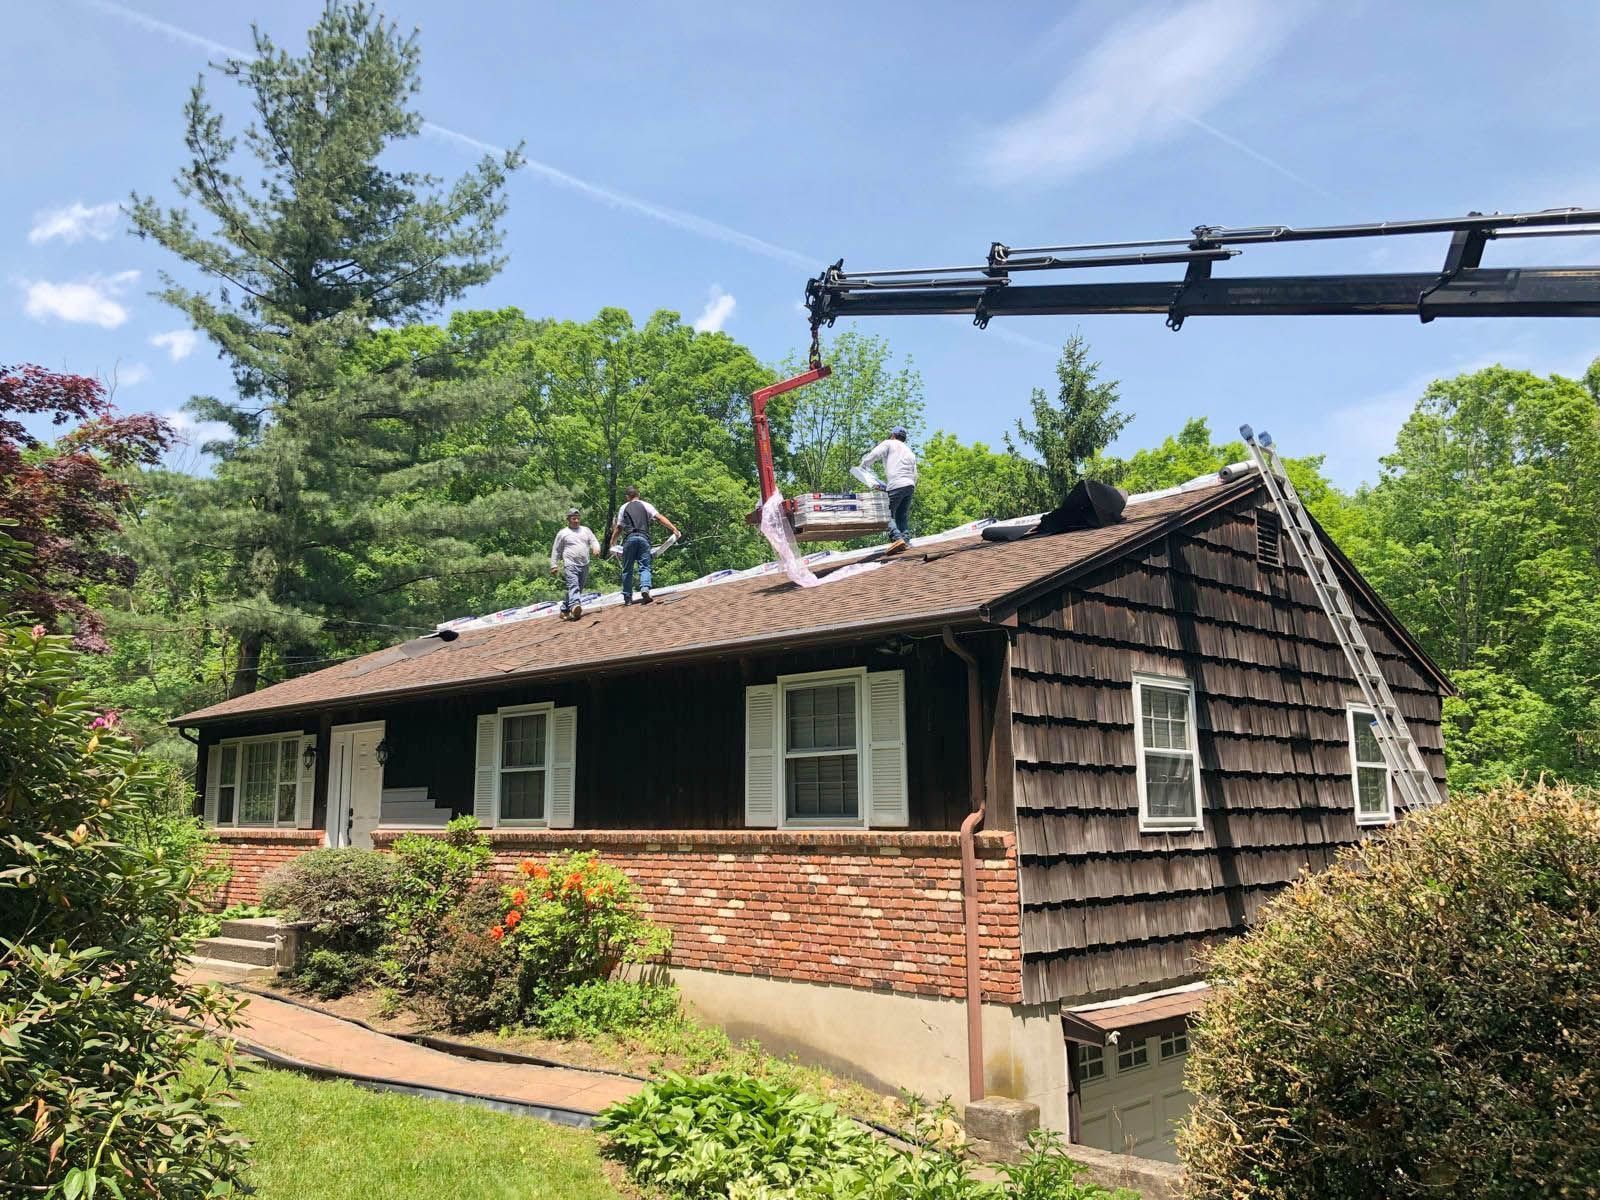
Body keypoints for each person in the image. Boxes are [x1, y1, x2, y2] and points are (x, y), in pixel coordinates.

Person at [611, 485, 680, 605]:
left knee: (627, 569)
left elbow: (619, 527)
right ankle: (645, 589)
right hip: (643, 539)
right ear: (638, 495)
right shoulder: (646, 505)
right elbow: (659, 518)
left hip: (629, 540)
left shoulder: (623, 507)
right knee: (645, 566)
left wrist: (613, 542)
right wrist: (673, 529)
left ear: (627, 497)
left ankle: (627, 597)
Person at [860, 425, 918, 554]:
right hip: (910, 485)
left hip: (896, 484)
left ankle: (897, 538)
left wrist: (864, 465)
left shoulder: (889, 443)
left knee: (886, 514)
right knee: (901, 515)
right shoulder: (909, 451)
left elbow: (875, 454)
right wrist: (910, 485)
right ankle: (906, 540)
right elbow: (915, 474)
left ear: (893, 435)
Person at [550, 507, 600, 621]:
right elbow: (556, 550)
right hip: (570, 564)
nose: (576, 521)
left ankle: (564, 609)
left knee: (578, 588)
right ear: (568, 519)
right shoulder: (563, 533)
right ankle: (575, 607)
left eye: (578, 518)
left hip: (584, 563)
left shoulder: (585, 530)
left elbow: (593, 540)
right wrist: (554, 565)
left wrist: (596, 548)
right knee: (574, 586)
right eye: (574, 519)